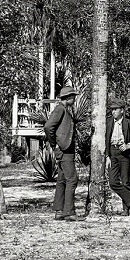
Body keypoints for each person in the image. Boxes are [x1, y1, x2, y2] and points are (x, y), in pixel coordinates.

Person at [43, 84, 81, 221]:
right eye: (73, 96)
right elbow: (48, 127)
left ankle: (59, 211)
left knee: (62, 180)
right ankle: (69, 212)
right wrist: (55, 146)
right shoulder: (60, 109)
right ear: (67, 97)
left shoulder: (65, 109)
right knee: (72, 179)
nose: (74, 99)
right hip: (64, 150)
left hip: (66, 148)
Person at [105, 98, 130, 216]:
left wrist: (128, 145)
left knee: (125, 182)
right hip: (113, 153)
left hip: (124, 155)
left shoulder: (128, 123)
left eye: (115, 110)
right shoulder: (108, 122)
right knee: (113, 182)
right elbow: (106, 139)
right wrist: (107, 156)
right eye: (112, 110)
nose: (113, 112)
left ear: (122, 110)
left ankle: (126, 209)